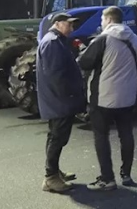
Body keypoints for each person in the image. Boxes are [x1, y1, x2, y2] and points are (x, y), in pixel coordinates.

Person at [77, 6, 137, 191]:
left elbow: (84, 62)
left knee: (101, 136)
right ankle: (127, 175)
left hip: (103, 98)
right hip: (127, 96)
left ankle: (108, 178)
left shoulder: (103, 39)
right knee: (126, 134)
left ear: (109, 20)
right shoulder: (135, 40)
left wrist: (82, 51)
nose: (101, 24)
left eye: (102, 21)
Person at [37, 12, 86, 193]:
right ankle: (50, 178)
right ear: (57, 24)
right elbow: (56, 75)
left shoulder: (55, 41)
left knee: (55, 137)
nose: (72, 29)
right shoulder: (52, 43)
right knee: (57, 138)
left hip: (58, 100)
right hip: (59, 101)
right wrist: (70, 96)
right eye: (69, 25)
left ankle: (55, 172)